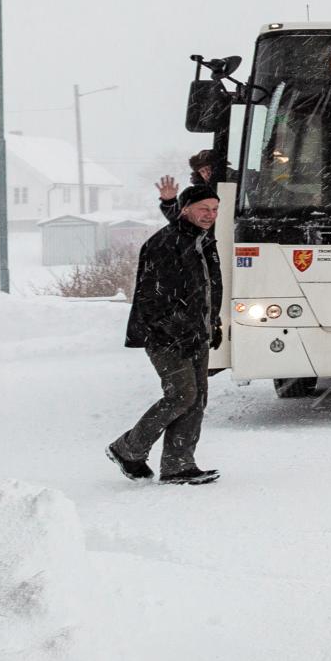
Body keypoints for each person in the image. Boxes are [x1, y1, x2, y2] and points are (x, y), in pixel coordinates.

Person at [108, 185, 223, 485]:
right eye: (203, 208)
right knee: (181, 395)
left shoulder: (202, 240)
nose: (210, 215)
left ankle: (178, 465)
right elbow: (152, 298)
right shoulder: (165, 243)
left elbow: (207, 290)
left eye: (214, 209)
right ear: (185, 209)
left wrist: (214, 324)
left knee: (196, 399)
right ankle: (128, 448)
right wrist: (176, 329)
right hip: (166, 336)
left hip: (196, 333)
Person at [156, 149, 219, 222]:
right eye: (202, 171)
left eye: (208, 169)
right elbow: (179, 220)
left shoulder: (232, 184)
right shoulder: (194, 193)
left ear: (216, 168)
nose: (206, 174)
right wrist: (169, 202)